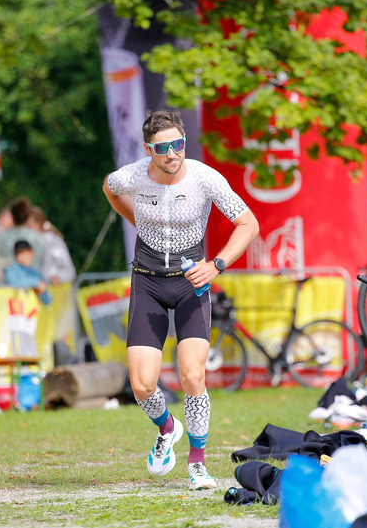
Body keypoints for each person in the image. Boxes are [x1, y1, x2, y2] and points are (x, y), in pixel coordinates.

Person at [102, 109, 259, 490]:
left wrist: (217, 264)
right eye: (163, 147)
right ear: (148, 149)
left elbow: (249, 224)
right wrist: (136, 220)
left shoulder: (206, 178)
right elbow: (110, 188)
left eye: (178, 144)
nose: (173, 153)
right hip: (148, 282)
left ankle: (198, 462)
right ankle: (166, 429)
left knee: (192, 374)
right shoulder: (132, 177)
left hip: (192, 285)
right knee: (141, 384)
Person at [0, 197, 46, 283]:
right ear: (28, 216)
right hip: (31, 288)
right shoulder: (38, 239)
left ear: (12, 216)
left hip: (2, 289)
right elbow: (42, 265)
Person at [28, 205, 76, 285]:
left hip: (55, 292)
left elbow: (69, 271)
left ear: (38, 223)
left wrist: (59, 277)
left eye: (29, 225)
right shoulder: (26, 243)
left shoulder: (53, 241)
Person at [4, 240, 52, 304]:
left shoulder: (36, 273)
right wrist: (36, 283)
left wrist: (40, 292)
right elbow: (13, 283)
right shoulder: (10, 270)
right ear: (15, 256)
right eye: (21, 254)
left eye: (27, 253)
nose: (25, 257)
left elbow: (48, 301)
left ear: (32, 253)